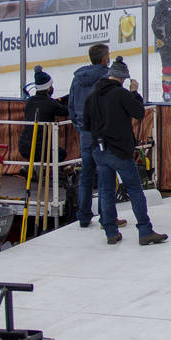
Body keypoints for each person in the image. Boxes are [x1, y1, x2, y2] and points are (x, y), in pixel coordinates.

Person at [84, 57, 168, 245]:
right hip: (119, 150)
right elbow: (138, 113)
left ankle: (111, 231)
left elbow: (86, 124)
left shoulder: (92, 95)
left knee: (106, 191)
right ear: (122, 79)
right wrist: (135, 93)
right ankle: (145, 230)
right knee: (135, 190)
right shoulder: (120, 94)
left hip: (99, 149)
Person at [69, 44, 116, 229]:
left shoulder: (77, 79)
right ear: (105, 59)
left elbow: (71, 106)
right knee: (105, 176)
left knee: (86, 175)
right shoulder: (106, 78)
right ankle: (106, 217)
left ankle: (84, 216)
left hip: (84, 133)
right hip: (101, 134)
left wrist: (79, 126)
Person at [18, 66, 69, 165]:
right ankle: (44, 172)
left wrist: (60, 100)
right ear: (49, 88)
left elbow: (45, 105)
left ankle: (33, 169)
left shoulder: (29, 101)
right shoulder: (50, 103)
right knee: (61, 154)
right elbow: (66, 111)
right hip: (40, 149)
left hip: (23, 146)